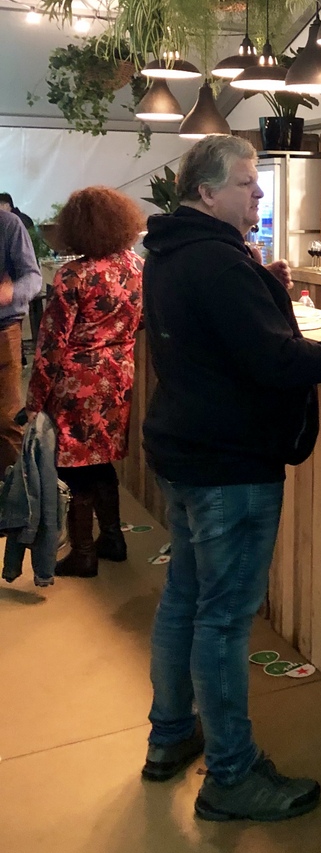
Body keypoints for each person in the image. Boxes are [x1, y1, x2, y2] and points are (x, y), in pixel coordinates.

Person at [140, 135, 321, 824]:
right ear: (206, 191)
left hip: (185, 450)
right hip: (230, 464)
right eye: (246, 183)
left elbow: (222, 338)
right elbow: (277, 363)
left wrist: (265, 290)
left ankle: (170, 735)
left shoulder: (171, 252)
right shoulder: (220, 263)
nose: (258, 193)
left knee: (185, 600)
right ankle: (231, 776)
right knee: (223, 620)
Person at [25, 187, 144, 576]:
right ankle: (113, 538)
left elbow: (51, 345)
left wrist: (34, 401)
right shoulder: (136, 266)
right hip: (118, 376)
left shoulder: (73, 275)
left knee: (73, 466)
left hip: (78, 381)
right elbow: (142, 320)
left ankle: (84, 552)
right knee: (101, 459)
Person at [0, 209, 42, 472]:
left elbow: (33, 277)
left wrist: (12, 292)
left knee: (6, 420)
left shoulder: (7, 224)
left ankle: (17, 488)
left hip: (3, 329)